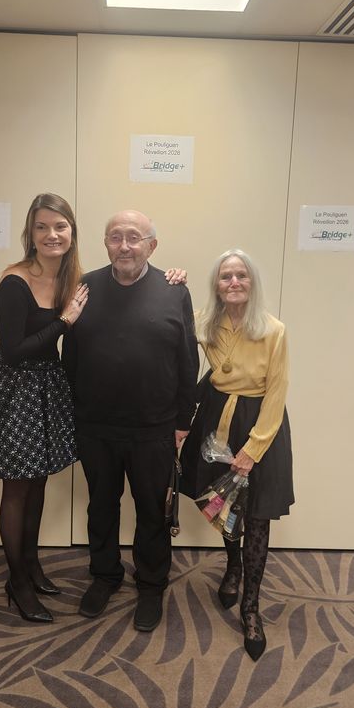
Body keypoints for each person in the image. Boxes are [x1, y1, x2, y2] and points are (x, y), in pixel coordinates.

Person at [0, 193, 88, 623]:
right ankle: (17, 582)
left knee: (39, 482)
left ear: (72, 232)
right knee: (16, 488)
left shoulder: (72, 278)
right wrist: (63, 322)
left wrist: (173, 277)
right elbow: (12, 351)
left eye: (60, 226)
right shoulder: (14, 281)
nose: (52, 234)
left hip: (48, 386)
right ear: (30, 232)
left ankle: (31, 565)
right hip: (15, 388)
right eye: (42, 226)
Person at [62, 210, 199, 632]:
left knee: (152, 512)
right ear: (105, 243)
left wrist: (183, 420)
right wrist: (72, 415)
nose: (124, 246)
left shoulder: (174, 290)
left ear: (151, 246)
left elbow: (188, 360)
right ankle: (104, 575)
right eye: (115, 237)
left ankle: (151, 584)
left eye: (134, 237)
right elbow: (70, 358)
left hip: (154, 428)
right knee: (101, 506)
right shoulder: (85, 287)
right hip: (96, 426)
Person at [180, 248, 294, 660]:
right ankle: (232, 567)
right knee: (224, 503)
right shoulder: (204, 323)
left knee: (257, 514)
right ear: (216, 284)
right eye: (225, 276)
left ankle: (250, 607)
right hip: (217, 419)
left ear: (252, 282)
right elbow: (168, 327)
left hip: (261, 423)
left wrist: (254, 448)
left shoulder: (273, 330)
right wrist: (171, 283)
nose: (233, 282)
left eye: (241, 276)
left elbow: (278, 391)